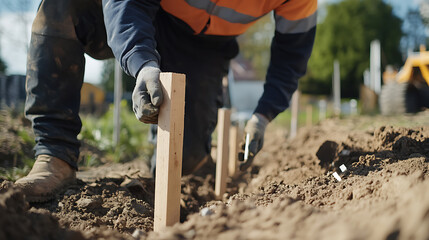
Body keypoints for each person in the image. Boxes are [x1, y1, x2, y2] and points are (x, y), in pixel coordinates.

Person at [15, 0, 317, 202]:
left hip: (202, 47)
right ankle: (54, 154)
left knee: (184, 163)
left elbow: (290, 57)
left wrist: (262, 116)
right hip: (141, 12)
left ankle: (190, 159)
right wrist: (142, 63)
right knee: (64, 5)